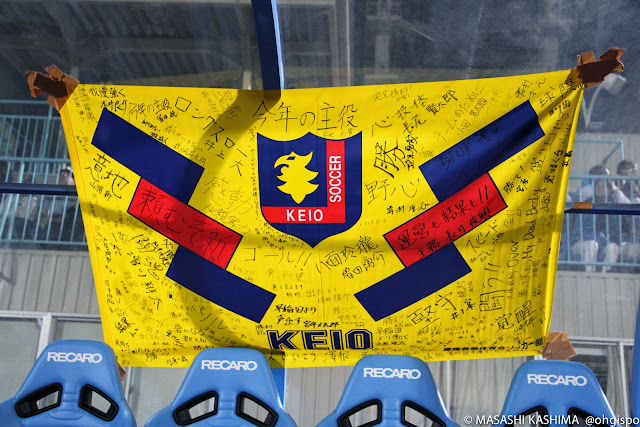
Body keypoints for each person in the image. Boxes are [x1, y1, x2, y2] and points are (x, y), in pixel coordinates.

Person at [569, 165, 629, 272]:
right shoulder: (587, 203)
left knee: (613, 247)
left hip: (603, 244)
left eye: (603, 186)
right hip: (583, 243)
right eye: (597, 186)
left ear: (609, 190)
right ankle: (590, 274)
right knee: (592, 245)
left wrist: (605, 240)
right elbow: (577, 232)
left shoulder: (612, 206)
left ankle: (604, 275)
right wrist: (598, 238)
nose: (599, 188)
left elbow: (616, 234)